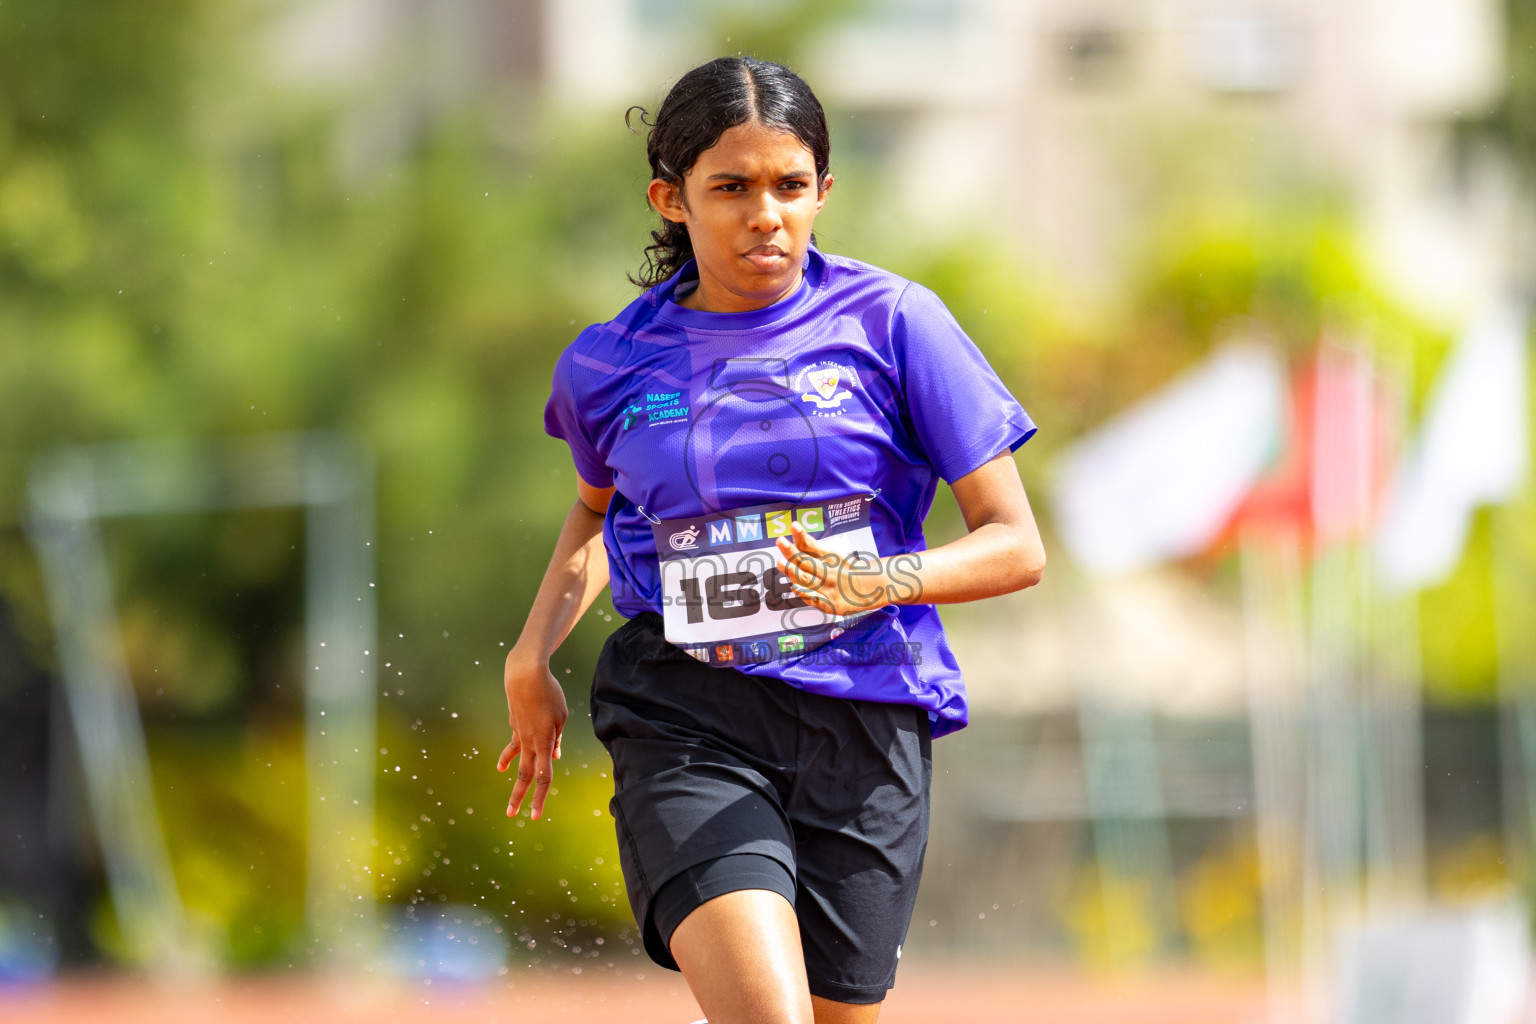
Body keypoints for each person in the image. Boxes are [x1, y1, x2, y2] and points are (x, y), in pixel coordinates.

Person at [497, 55, 1045, 1024]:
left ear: (824, 190)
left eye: (791, 186)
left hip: (865, 722)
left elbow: (1015, 543)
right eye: (732, 188)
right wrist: (531, 651)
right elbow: (594, 511)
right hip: (687, 712)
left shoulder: (897, 324)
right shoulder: (609, 363)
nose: (767, 215)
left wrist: (880, 577)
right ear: (672, 198)